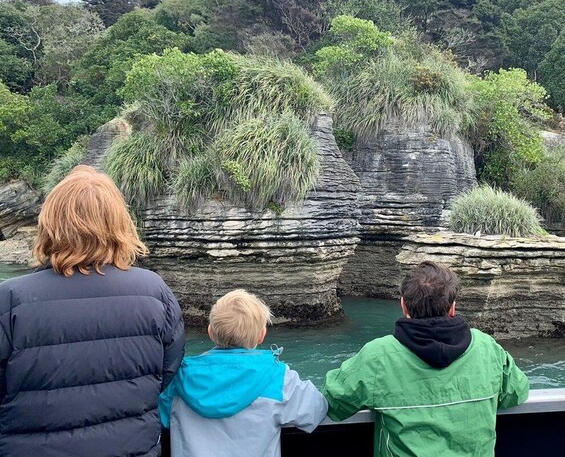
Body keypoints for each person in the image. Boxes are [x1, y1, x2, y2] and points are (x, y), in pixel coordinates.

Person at [0, 165, 185, 457]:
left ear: (49, 223)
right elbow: (165, 373)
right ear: (119, 223)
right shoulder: (155, 291)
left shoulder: (10, 298)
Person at [323, 260, 530, 456]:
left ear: (404, 306)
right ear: (452, 308)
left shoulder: (378, 356)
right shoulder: (487, 348)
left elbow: (333, 402)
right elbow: (517, 392)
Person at [159, 289, 327, 457]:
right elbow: (315, 411)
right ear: (262, 335)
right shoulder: (278, 378)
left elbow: (159, 417)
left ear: (210, 331)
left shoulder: (178, 379)